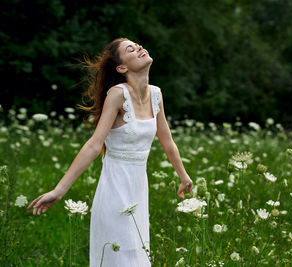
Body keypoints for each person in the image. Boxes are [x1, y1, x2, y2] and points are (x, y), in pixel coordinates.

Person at [27, 37, 193, 266]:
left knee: (137, 255)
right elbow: (94, 144)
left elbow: (168, 142)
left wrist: (183, 176)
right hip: (115, 190)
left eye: (138, 45)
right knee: (120, 257)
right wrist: (59, 190)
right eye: (131, 49)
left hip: (138, 191)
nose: (140, 48)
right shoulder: (117, 94)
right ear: (122, 67)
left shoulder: (156, 94)